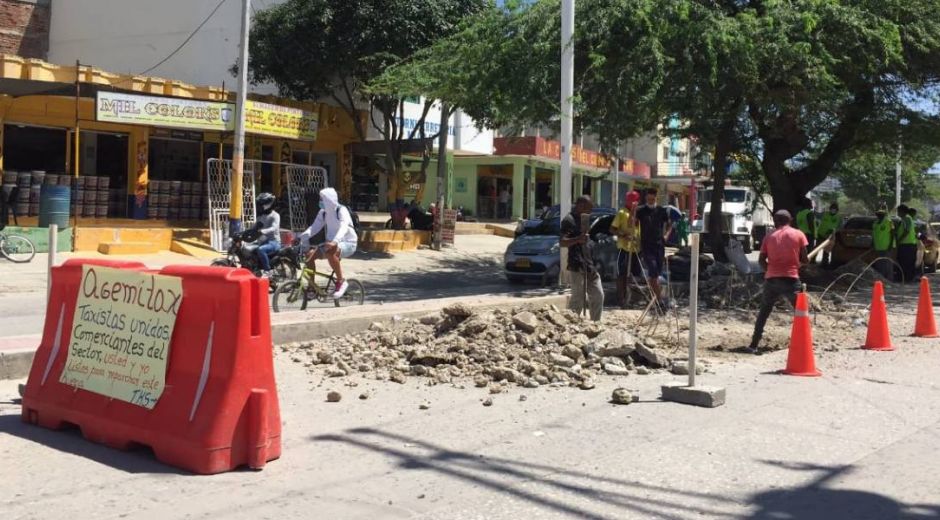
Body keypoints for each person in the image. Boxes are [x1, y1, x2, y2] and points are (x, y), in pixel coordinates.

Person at [748, 210, 809, 353]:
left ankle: (753, 344)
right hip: (791, 279)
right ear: (790, 220)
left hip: (772, 280)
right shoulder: (798, 234)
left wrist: (769, 270)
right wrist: (800, 263)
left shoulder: (769, 237)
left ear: (775, 221)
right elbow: (805, 259)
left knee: (764, 312)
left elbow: (761, 260)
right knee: (801, 312)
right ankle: (804, 343)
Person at [298, 187, 358, 298]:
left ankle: (341, 281)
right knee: (309, 256)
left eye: (322, 199)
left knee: (331, 252)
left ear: (329, 200)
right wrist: (300, 237)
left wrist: (335, 241)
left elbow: (344, 227)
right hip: (331, 244)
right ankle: (312, 287)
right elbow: (314, 228)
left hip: (349, 243)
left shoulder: (341, 210)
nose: (320, 202)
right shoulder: (323, 213)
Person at [561, 195, 604, 321]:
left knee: (598, 295)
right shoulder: (569, 220)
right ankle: (570, 326)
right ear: (581, 206)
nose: (590, 211)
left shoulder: (585, 219)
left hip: (589, 264)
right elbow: (562, 242)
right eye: (589, 208)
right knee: (577, 299)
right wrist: (577, 240)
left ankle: (596, 324)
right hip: (576, 263)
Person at [634, 187, 673, 308]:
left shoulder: (661, 210)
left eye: (653, 199)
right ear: (646, 198)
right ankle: (660, 300)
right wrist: (633, 211)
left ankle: (657, 298)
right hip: (646, 245)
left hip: (659, 245)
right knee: (653, 271)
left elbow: (670, 224)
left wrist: (666, 235)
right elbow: (633, 223)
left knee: (656, 274)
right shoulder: (641, 211)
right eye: (649, 199)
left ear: (656, 198)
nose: (651, 201)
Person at [610, 190, 643, 308]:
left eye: (635, 201)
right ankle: (621, 299)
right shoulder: (622, 213)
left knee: (634, 275)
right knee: (622, 274)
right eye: (631, 200)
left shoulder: (639, 214)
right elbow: (613, 229)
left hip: (635, 249)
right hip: (624, 248)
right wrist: (623, 235)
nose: (633, 203)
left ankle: (631, 299)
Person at [252, 192, 281, 278]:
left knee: (261, 250)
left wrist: (262, 231)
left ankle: (268, 271)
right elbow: (253, 227)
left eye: (261, 204)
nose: (259, 206)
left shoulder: (275, 215)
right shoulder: (261, 216)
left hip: (274, 242)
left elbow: (274, 228)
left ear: (268, 204)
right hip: (263, 242)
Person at [896, 204, 918, 283]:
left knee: (906, 263)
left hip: (907, 245)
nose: (897, 213)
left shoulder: (907, 218)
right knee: (904, 262)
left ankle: (908, 279)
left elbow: (906, 231)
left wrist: (899, 240)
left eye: (898, 211)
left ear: (902, 211)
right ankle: (906, 278)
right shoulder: (904, 219)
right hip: (906, 245)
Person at [872, 208, 895, 280]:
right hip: (878, 247)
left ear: (884, 215)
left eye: (881, 215)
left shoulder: (889, 222)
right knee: (879, 263)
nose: (879, 216)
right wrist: (872, 244)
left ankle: (889, 279)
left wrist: (891, 245)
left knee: (887, 263)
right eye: (878, 215)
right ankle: (881, 279)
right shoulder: (875, 223)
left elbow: (892, 234)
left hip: (886, 246)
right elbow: (873, 235)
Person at [817, 202, 840, 266]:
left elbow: (840, 227)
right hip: (821, 234)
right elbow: (817, 215)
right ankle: (812, 261)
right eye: (832, 209)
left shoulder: (838, 217)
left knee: (826, 250)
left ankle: (824, 263)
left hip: (830, 236)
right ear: (830, 209)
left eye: (834, 209)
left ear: (837, 210)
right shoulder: (824, 214)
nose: (833, 210)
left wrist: (834, 231)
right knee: (817, 248)